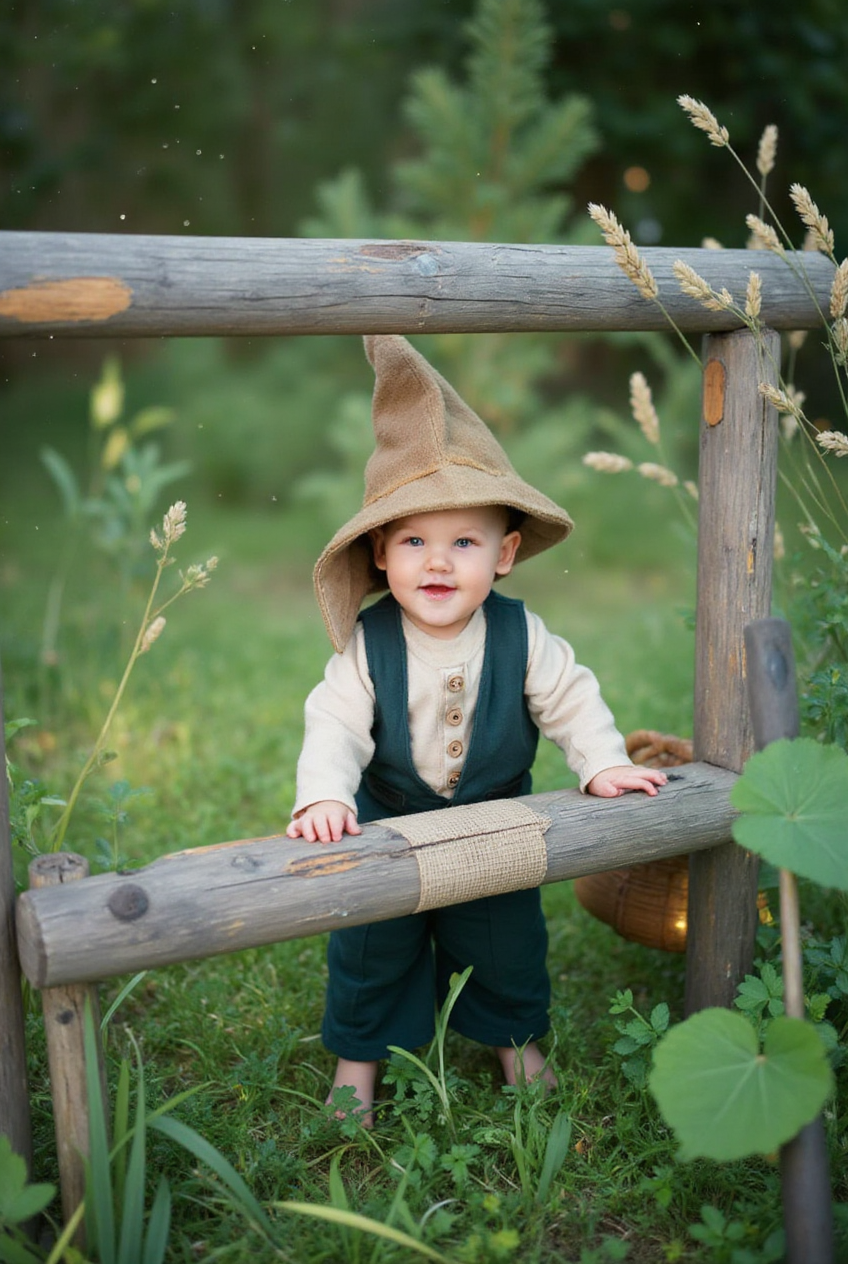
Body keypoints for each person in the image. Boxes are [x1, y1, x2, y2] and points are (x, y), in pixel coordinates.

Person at [287, 334, 665, 1122]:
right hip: (389, 816)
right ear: (381, 554)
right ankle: (357, 1071)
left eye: (465, 541)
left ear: (506, 553)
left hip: (496, 817)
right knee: (372, 946)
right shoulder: (371, 643)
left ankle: (515, 1048)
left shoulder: (524, 636)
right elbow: (335, 723)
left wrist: (600, 761)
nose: (438, 561)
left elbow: (570, 697)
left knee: (505, 942)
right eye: (414, 541)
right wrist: (325, 795)